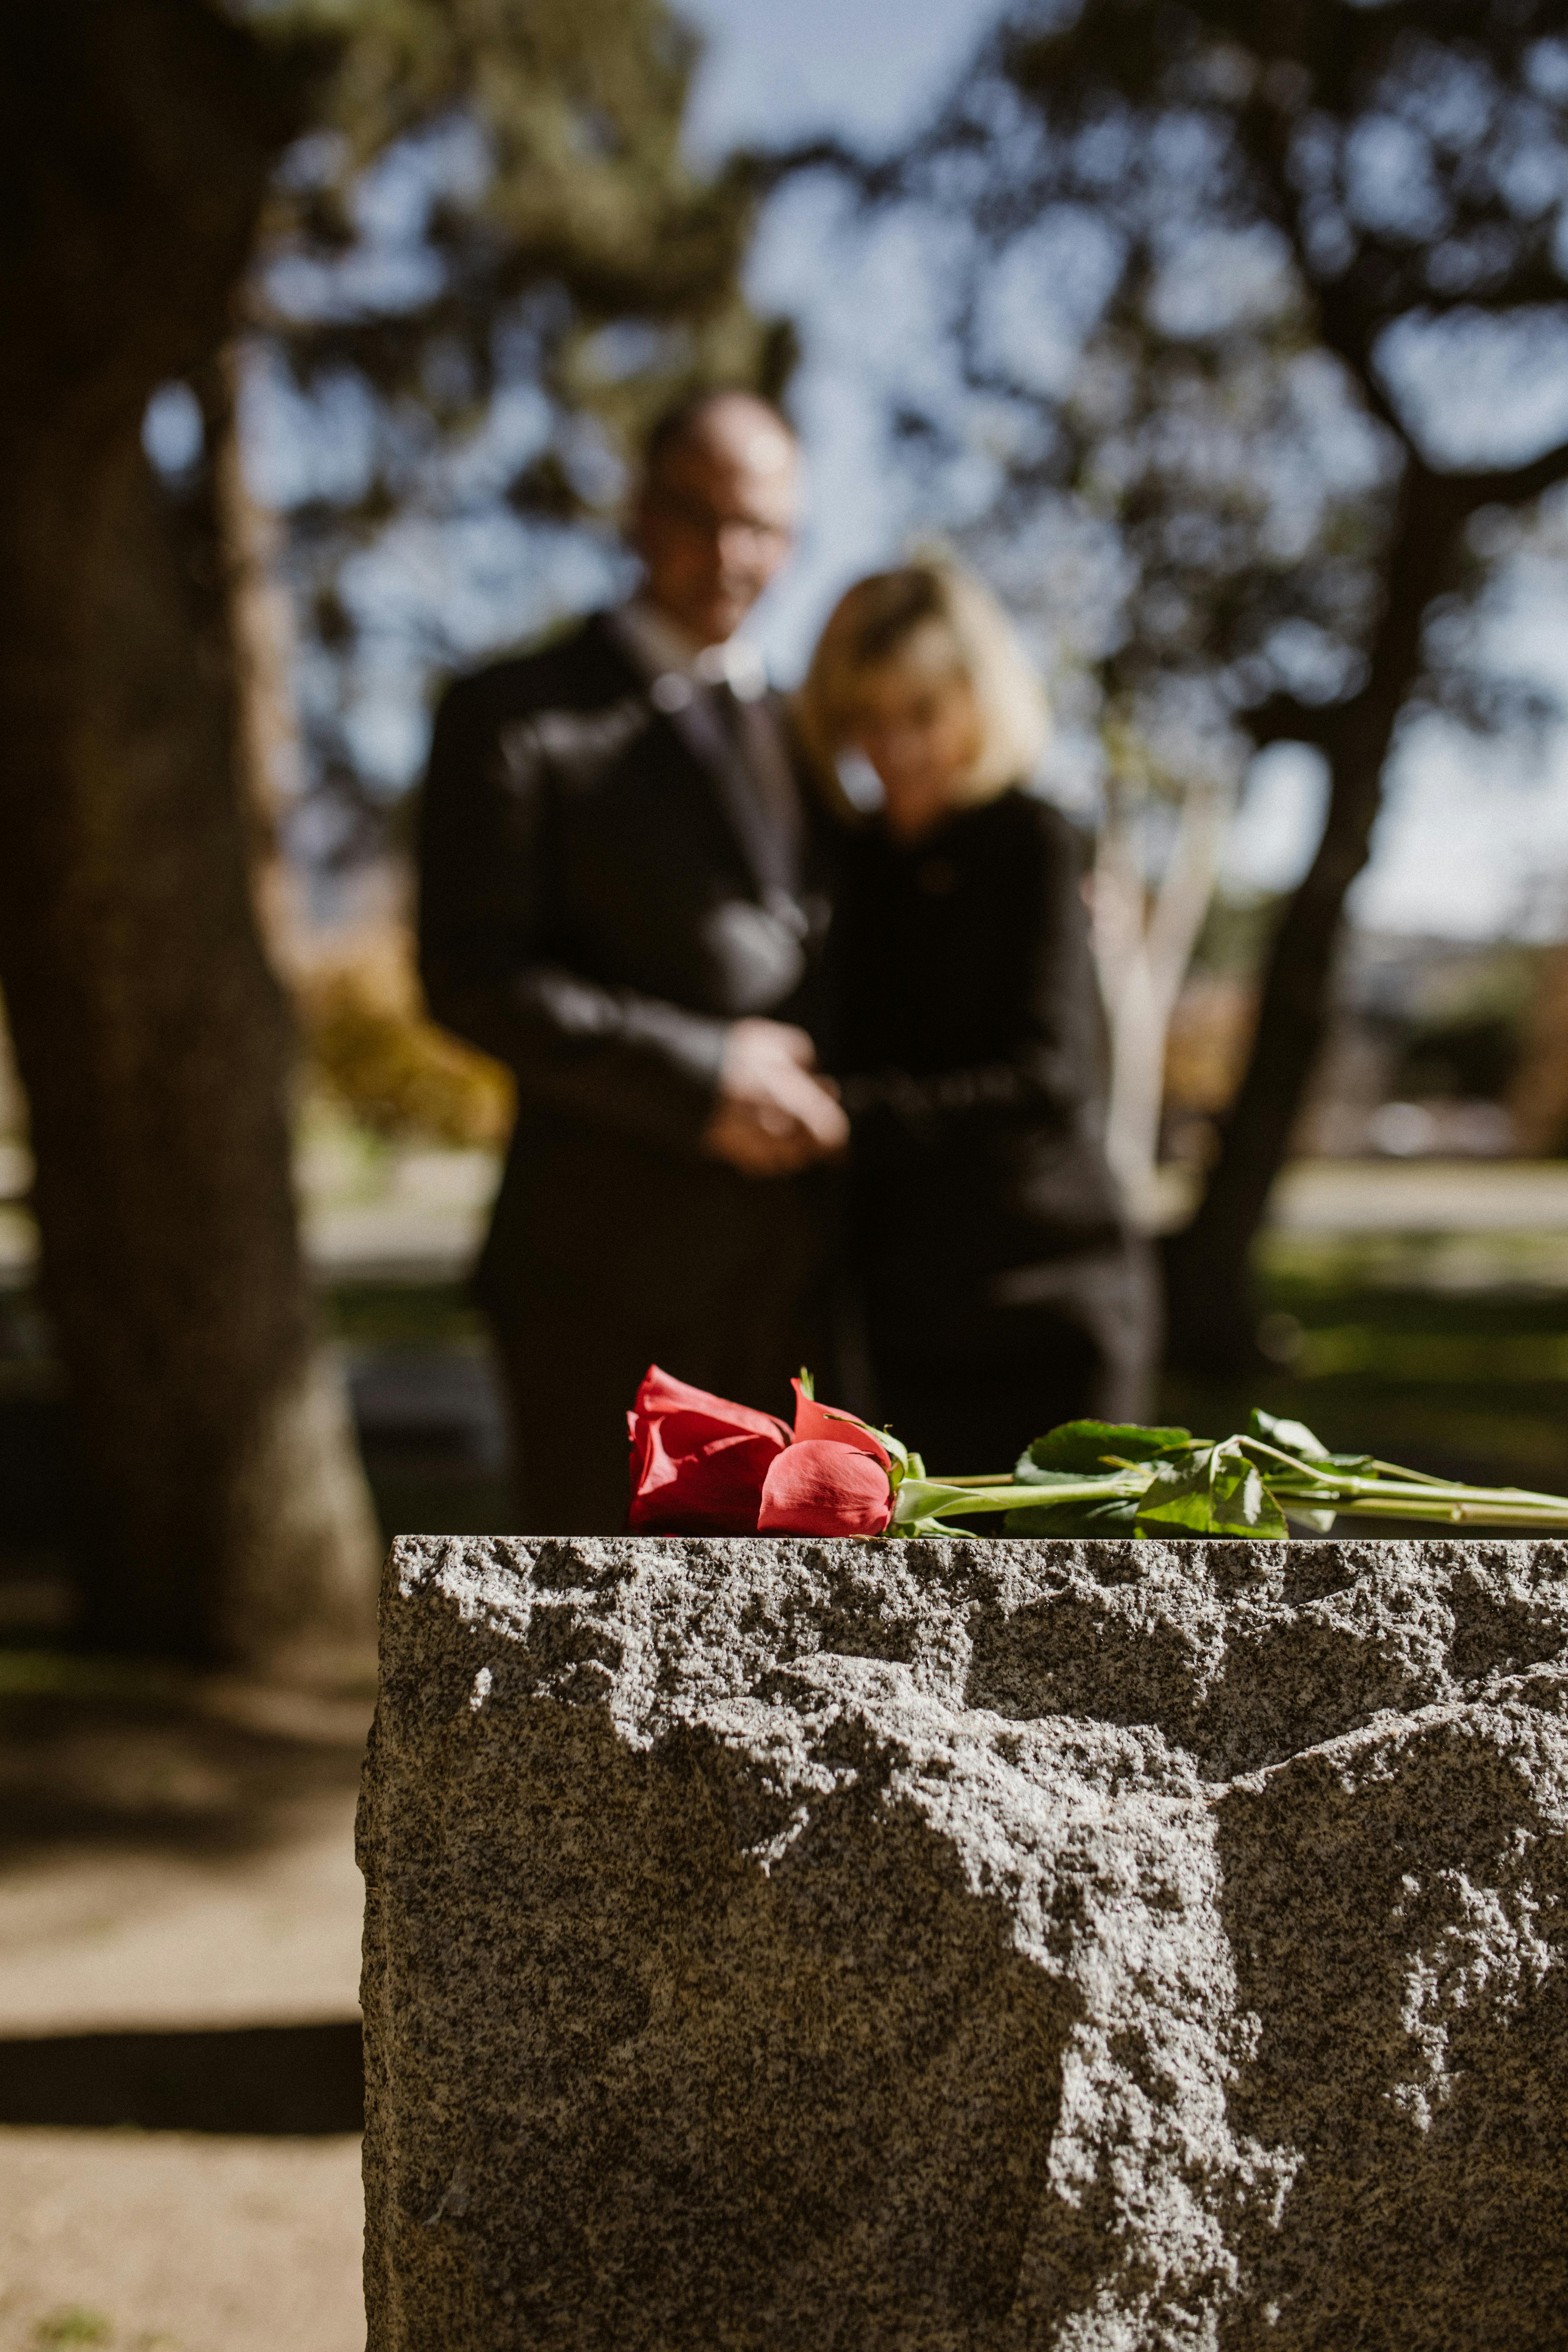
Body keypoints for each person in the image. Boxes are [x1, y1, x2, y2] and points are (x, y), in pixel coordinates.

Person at [419, 390, 847, 1533]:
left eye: (762, 526)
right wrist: (701, 1073)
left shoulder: (812, 729)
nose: (730, 553)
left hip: (812, 1291)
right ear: (636, 512)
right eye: (698, 514)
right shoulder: (515, 716)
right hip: (601, 1292)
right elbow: (468, 975)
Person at [797, 561, 1158, 1476]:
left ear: (976, 701)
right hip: (900, 1315)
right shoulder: (846, 860)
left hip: (1049, 1297)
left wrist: (846, 1116)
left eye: (921, 714)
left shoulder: (1033, 839)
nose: (895, 749)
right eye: (867, 721)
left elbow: (1048, 1076)